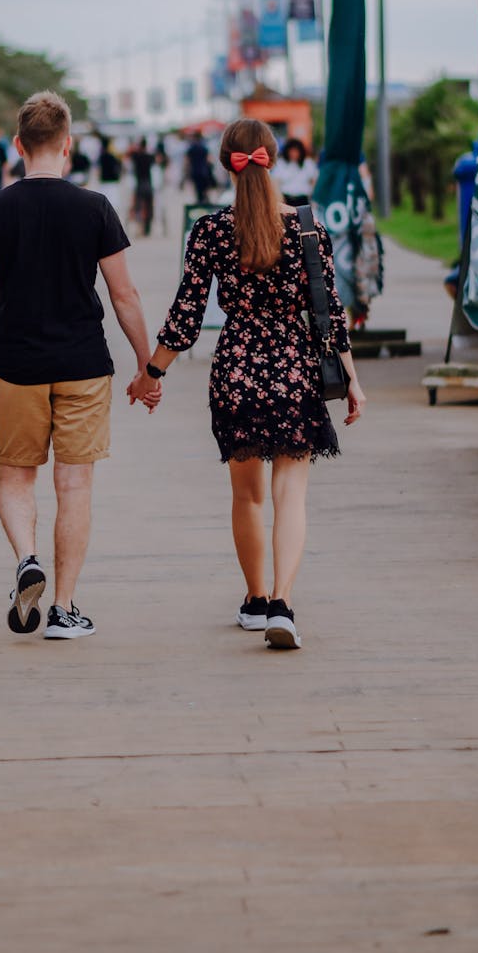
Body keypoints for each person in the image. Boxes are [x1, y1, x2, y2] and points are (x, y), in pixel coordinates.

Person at [129, 118, 366, 650]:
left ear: (226, 163)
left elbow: (186, 317)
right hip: (293, 367)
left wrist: (151, 373)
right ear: (273, 158)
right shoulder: (308, 227)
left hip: (236, 368)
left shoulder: (212, 230)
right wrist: (352, 380)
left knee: (247, 495)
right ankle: (282, 602)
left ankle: (256, 600)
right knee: (291, 494)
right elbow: (328, 314)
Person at [0, 90, 158, 640]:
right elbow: (125, 295)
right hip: (84, 364)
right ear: (67, 146)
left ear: (18, 144)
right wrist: (147, 367)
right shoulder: (94, 207)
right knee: (75, 486)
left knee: (16, 478)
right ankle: (64, 608)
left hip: (16, 365)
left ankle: (26, 559)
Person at [271, 138, 318, 206]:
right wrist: (279, 199)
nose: (294, 154)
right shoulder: (281, 164)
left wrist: (313, 199)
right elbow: (275, 183)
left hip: (303, 199)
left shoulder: (308, 164)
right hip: (286, 199)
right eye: (292, 151)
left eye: (296, 151)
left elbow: (314, 182)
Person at [129, 137, 155, 236]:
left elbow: (129, 153)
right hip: (148, 184)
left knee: (138, 207)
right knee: (149, 207)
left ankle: (139, 228)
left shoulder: (136, 156)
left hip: (139, 184)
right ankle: (147, 229)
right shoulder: (149, 156)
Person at [186, 131, 214, 204]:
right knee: (204, 187)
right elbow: (209, 160)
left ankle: (199, 201)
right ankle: (205, 200)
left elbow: (187, 161)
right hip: (204, 170)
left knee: (197, 188)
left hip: (194, 171)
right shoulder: (204, 147)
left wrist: (187, 170)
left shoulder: (191, 148)